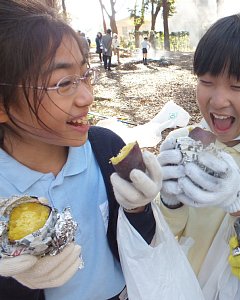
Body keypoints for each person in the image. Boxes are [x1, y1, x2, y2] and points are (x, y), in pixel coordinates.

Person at [0, 1, 161, 299]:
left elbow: (143, 240)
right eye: (63, 83)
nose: (87, 97)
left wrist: (137, 207)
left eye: (85, 75)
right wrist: (15, 280)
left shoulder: (105, 149)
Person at [156, 13, 240, 298]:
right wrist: (167, 202)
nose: (218, 100)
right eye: (207, 81)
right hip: (174, 285)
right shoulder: (177, 142)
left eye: (237, 86)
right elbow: (162, 236)